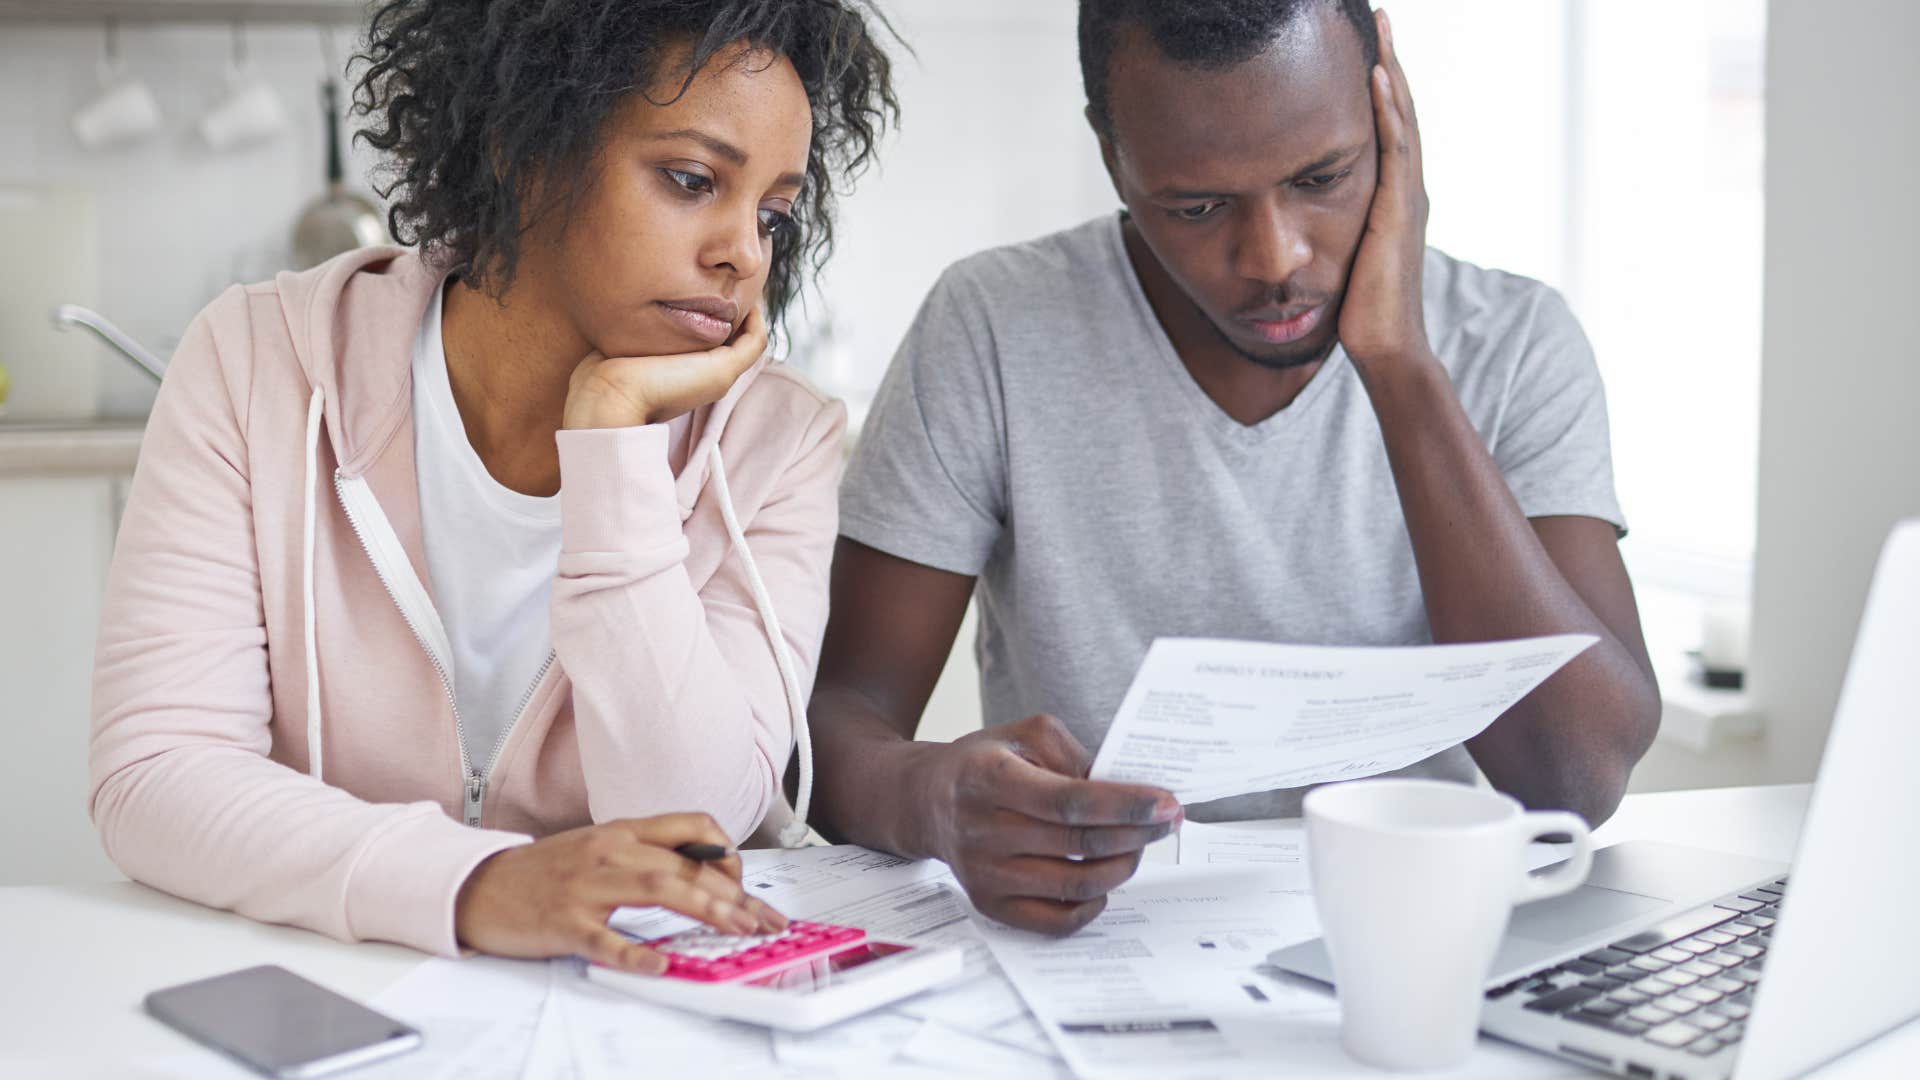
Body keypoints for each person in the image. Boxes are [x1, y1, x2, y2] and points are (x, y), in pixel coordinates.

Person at [807, 0, 1660, 935]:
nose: (1274, 258)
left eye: (1322, 177)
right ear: (1112, 155)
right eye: (1197, 205)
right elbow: (835, 722)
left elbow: (1575, 780)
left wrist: (1400, 365)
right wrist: (932, 796)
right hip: (1097, 954)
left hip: (1416, 945)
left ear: (1391, 113)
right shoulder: (994, 325)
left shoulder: (1516, 344)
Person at [88, 0, 897, 973]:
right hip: (327, 992)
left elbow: (694, 822)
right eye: (691, 181)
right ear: (526, 147)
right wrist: (474, 885)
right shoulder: (258, 362)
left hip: (636, 1015)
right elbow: (156, 774)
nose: (745, 253)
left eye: (773, 212)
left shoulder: (777, 441)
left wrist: (611, 437)